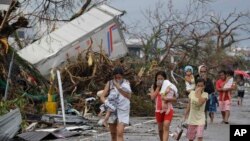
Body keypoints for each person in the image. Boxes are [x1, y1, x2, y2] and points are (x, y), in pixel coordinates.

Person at [100, 67, 132, 141]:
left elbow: (129, 96)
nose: (118, 79)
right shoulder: (110, 83)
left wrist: (119, 88)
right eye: (116, 77)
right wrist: (107, 103)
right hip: (112, 110)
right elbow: (102, 96)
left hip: (123, 109)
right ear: (113, 76)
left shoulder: (126, 83)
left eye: (119, 77)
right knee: (113, 134)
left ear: (122, 76)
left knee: (120, 132)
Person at [150, 71, 178, 141]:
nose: (159, 80)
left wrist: (168, 98)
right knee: (160, 129)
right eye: (158, 79)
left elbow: (175, 99)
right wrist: (158, 88)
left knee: (166, 126)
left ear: (165, 79)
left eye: (161, 79)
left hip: (168, 110)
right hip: (158, 110)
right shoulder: (154, 86)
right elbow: (152, 97)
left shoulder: (170, 86)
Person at [195, 65, 215, 129]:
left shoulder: (208, 80)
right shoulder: (195, 78)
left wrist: (205, 81)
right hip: (196, 98)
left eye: (204, 71)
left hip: (205, 99)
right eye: (201, 71)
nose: (203, 73)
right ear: (199, 71)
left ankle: (203, 124)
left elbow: (212, 90)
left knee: (204, 111)